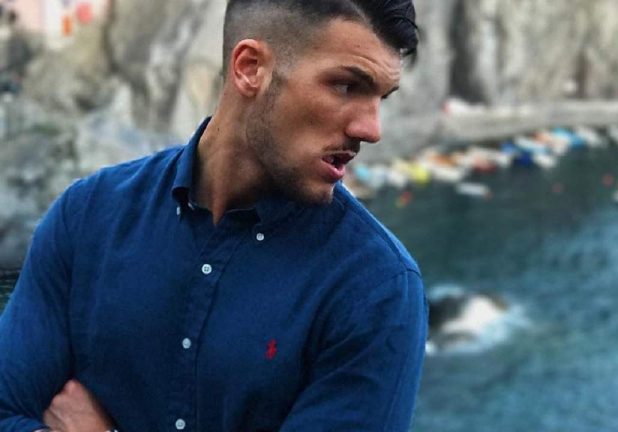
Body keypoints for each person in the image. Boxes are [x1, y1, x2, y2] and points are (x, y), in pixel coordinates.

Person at [0, 0, 427, 431]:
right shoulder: (88, 216)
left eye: (380, 97)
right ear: (250, 68)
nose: (371, 130)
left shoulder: (376, 288)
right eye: (347, 86)